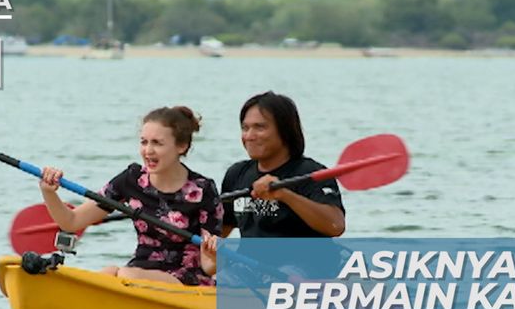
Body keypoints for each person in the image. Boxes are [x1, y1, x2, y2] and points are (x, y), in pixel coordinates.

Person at [40, 106, 222, 286]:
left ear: (181, 146)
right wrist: (48, 191)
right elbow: (71, 221)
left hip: (186, 277)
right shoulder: (132, 179)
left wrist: (214, 256)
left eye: (157, 143)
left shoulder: (203, 190)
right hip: (139, 268)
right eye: (144, 142)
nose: (148, 151)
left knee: (127, 275)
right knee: (108, 273)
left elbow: (207, 266)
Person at [200, 91, 345, 263]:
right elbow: (219, 232)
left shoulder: (311, 173)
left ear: (285, 131)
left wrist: (285, 195)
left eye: (259, 127)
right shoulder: (236, 174)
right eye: (245, 128)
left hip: (304, 271)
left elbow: (336, 226)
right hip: (252, 271)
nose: (249, 136)